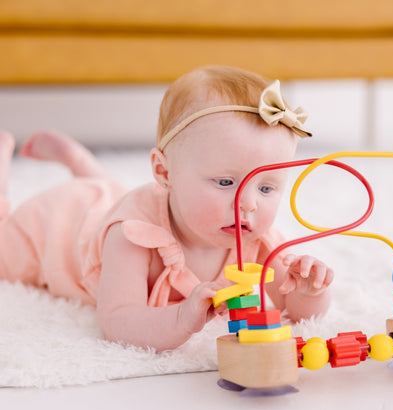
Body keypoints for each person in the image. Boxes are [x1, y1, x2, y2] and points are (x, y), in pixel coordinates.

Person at [0, 65, 333, 351]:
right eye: (225, 183)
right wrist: (180, 318)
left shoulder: (254, 237)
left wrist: (309, 291)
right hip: (62, 222)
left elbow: (295, 310)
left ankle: (78, 160)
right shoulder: (132, 237)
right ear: (164, 172)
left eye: (265, 187)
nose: (248, 204)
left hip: (122, 199)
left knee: (117, 193)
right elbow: (116, 320)